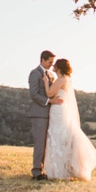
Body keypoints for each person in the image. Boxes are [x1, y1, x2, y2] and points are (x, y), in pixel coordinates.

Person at [42, 58, 96, 181]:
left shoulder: (61, 79)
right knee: (63, 137)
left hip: (57, 111)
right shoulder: (67, 80)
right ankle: (65, 169)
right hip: (62, 110)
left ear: (59, 67)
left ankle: (59, 171)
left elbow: (49, 93)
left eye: (55, 65)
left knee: (57, 137)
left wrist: (46, 82)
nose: (53, 66)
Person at [28, 50, 62, 181]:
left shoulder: (50, 75)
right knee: (40, 143)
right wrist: (50, 101)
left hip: (51, 114)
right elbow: (34, 94)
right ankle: (36, 171)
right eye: (50, 62)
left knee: (48, 144)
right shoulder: (34, 73)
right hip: (39, 114)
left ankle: (45, 169)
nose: (51, 65)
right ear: (42, 60)